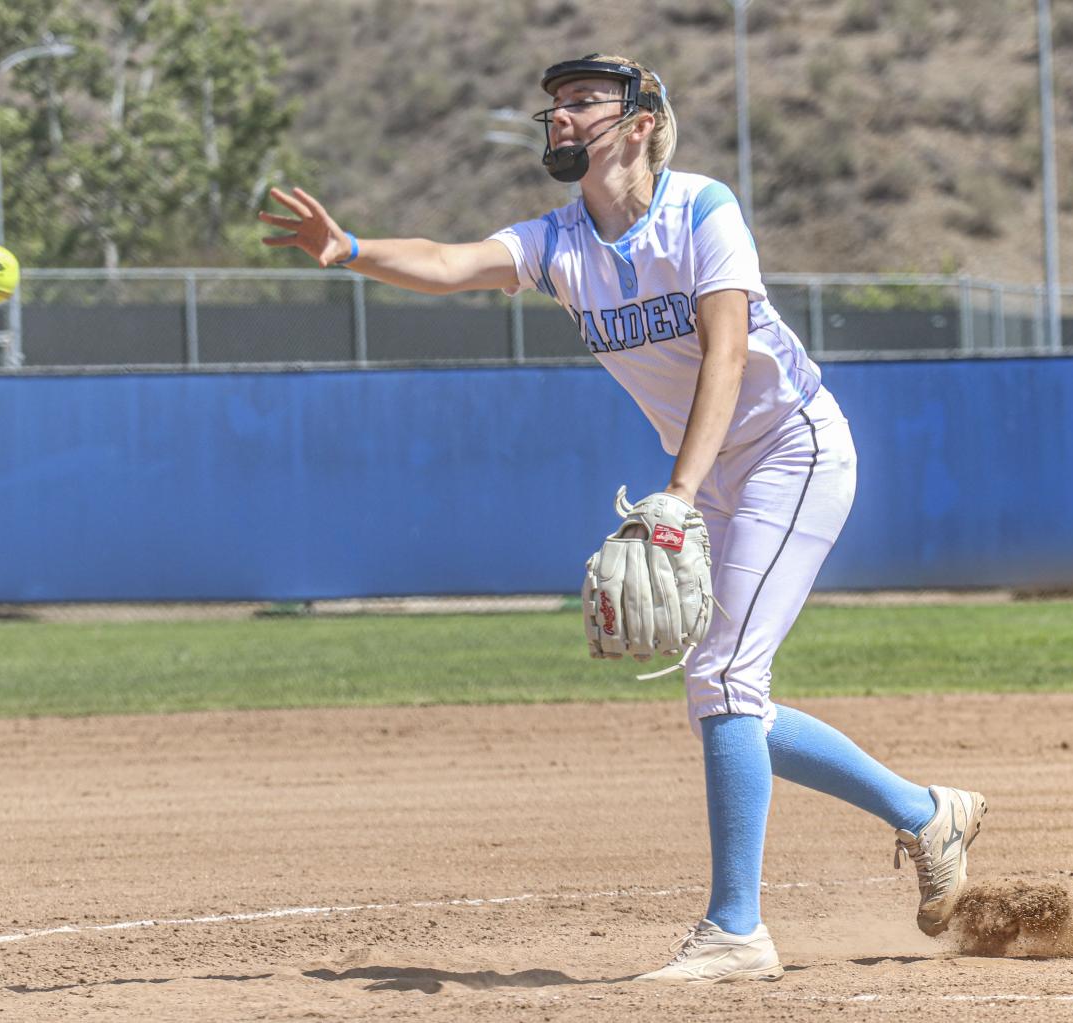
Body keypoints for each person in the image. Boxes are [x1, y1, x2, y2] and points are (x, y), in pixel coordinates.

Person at [260, 54, 987, 985]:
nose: (557, 116)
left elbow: (726, 354)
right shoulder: (560, 243)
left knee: (722, 677)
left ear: (640, 121)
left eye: (581, 102)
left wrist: (678, 496)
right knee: (726, 697)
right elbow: (452, 263)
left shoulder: (700, 210)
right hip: (715, 475)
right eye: (553, 105)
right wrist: (351, 250)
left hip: (790, 452)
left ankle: (736, 931)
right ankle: (927, 813)